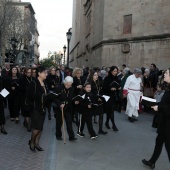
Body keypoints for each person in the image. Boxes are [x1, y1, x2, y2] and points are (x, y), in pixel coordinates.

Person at [142, 68, 170, 169]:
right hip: (164, 123)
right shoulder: (168, 88)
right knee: (159, 142)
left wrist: (159, 107)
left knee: (168, 147)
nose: (164, 74)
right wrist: (155, 104)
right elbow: (165, 104)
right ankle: (152, 162)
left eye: (166, 73)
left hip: (168, 125)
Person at [27, 66, 49, 151]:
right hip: (36, 108)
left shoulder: (45, 83)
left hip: (43, 108)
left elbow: (46, 94)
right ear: (39, 73)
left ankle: (37, 143)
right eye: (45, 73)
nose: (46, 74)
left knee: (41, 127)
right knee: (37, 127)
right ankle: (32, 142)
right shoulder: (34, 82)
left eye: (46, 73)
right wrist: (40, 96)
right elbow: (29, 95)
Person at [53, 76, 77, 141]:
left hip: (68, 107)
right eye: (67, 84)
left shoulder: (71, 89)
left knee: (69, 122)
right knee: (59, 122)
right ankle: (58, 135)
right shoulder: (59, 88)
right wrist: (60, 104)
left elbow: (72, 97)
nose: (68, 86)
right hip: (60, 108)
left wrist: (75, 101)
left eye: (70, 85)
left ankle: (71, 137)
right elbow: (54, 98)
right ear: (65, 82)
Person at [103, 66, 120, 131]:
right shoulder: (107, 78)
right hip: (107, 96)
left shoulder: (117, 78)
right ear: (111, 71)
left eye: (116, 71)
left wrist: (118, 88)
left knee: (110, 110)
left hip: (113, 96)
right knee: (110, 110)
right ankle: (113, 125)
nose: (115, 72)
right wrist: (110, 88)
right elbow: (104, 87)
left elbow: (118, 85)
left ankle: (107, 122)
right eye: (114, 71)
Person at [20, 68, 33, 132]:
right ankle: (28, 125)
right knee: (26, 112)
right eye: (28, 72)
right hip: (24, 98)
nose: (29, 74)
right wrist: (27, 89)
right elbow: (20, 88)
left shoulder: (32, 78)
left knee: (30, 111)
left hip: (31, 98)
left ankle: (26, 122)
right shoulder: (22, 79)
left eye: (30, 72)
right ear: (25, 73)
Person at [0, 66, 7, 134]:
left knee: (1, 114)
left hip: (0, 98)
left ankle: (2, 128)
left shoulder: (3, 77)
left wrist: (3, 96)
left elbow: (5, 87)